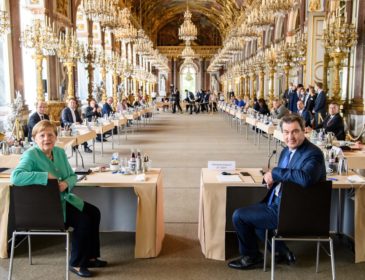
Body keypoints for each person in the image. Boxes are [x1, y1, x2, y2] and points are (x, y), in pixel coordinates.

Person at [228, 114, 326, 270]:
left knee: (239, 216)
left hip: (293, 211)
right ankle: (283, 253)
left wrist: (275, 173)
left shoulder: (313, 154)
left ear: (304, 131)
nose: (290, 137)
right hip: (279, 202)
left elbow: (306, 177)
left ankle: (251, 257)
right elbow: (286, 175)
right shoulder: (286, 151)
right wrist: (272, 179)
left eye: (295, 131)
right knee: (256, 220)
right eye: (286, 132)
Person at [11, 120, 107, 278]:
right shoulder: (31, 155)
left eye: (50, 135)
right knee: (83, 221)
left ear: (56, 138)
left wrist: (66, 183)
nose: (46, 138)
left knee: (94, 212)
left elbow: (71, 176)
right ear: (35, 138)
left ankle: (90, 257)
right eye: (42, 135)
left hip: (63, 199)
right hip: (46, 207)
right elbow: (16, 177)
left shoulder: (59, 152)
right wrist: (44, 176)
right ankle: (76, 263)